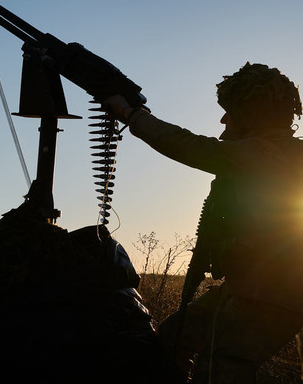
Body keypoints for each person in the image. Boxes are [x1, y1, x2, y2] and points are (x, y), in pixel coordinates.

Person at [106, 63, 303, 383]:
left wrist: (131, 115)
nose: (224, 120)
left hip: (271, 296)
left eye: (231, 111)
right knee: (172, 339)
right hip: (249, 289)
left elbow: (193, 147)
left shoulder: (268, 154)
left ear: (251, 111)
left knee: (221, 369)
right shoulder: (273, 153)